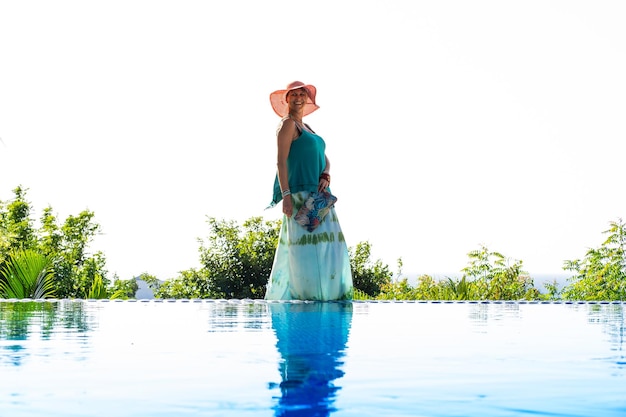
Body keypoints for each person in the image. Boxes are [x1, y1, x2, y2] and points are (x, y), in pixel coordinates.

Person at [264, 81, 353, 301]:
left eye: (302, 94)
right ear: (287, 99)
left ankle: (330, 300)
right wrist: (285, 195)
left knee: (333, 250)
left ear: (307, 98)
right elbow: (281, 162)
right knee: (304, 252)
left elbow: (324, 157)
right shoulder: (287, 125)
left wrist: (326, 173)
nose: (298, 98)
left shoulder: (308, 128)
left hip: (319, 197)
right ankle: (307, 300)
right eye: (293, 94)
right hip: (299, 196)